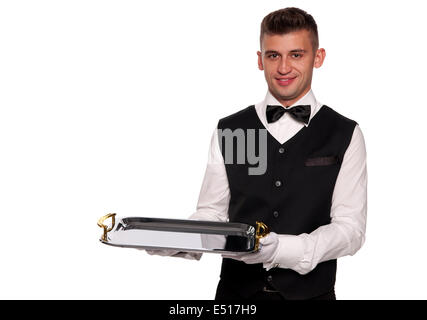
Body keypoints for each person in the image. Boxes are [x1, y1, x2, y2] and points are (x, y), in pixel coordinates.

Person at [146, 7, 367, 300]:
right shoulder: (233, 130)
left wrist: (285, 249)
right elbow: (213, 213)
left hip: (312, 297)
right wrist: (179, 240)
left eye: (296, 54)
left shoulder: (344, 133)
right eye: (273, 55)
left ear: (318, 57)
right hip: (235, 297)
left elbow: (350, 230)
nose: (284, 67)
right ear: (260, 60)